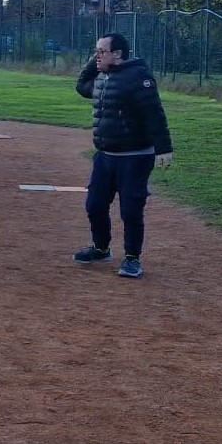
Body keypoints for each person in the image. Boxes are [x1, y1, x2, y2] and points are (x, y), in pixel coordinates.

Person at [72, 32, 173, 279]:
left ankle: (132, 258)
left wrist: (164, 148)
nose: (97, 56)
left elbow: (154, 114)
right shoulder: (102, 76)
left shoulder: (138, 77)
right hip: (105, 155)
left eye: (102, 51)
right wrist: (94, 61)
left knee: (130, 209)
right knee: (94, 204)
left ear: (117, 54)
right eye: (96, 51)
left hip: (135, 156)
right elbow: (81, 86)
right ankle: (100, 248)